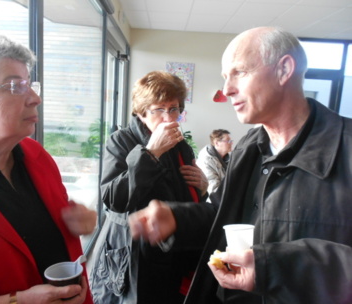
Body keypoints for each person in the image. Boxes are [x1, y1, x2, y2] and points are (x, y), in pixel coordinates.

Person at [128, 26, 352, 304]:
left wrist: (276, 267)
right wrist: (177, 219)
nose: (226, 90)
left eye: (240, 73)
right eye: (225, 77)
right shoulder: (248, 147)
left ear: (284, 70)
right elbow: (223, 214)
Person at [0, 33, 97, 304]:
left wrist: (78, 223)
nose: (35, 98)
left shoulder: (36, 155)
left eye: (30, 84)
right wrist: (15, 301)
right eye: (14, 86)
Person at [89, 70, 210, 304]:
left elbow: (187, 200)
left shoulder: (180, 144)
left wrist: (203, 188)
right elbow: (113, 198)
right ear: (142, 112)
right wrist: (151, 153)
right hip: (131, 253)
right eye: (159, 109)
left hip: (170, 252)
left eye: (174, 108)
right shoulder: (120, 141)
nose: (168, 118)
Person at [196, 129, 232, 196]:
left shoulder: (229, 157)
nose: (231, 143)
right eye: (228, 141)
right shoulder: (206, 161)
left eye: (231, 141)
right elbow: (214, 191)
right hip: (216, 202)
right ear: (217, 143)